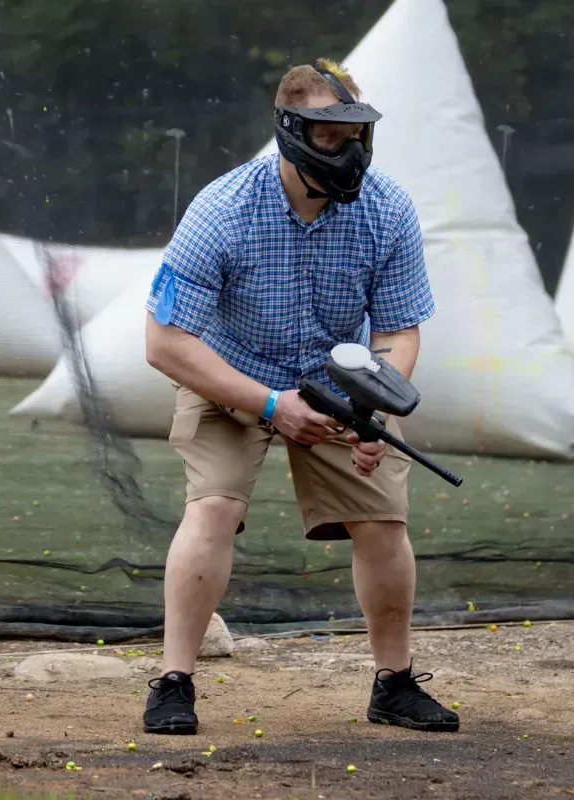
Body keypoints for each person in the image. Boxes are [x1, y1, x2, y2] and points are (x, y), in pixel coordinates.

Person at [142, 58, 459, 736]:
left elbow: (399, 331)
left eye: (355, 136)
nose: (347, 153)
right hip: (230, 379)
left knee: (383, 522)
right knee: (214, 509)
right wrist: (267, 405)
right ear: (290, 132)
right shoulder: (224, 209)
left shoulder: (389, 208)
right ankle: (174, 682)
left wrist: (375, 409)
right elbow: (166, 344)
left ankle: (394, 685)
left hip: (337, 383)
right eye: (328, 137)